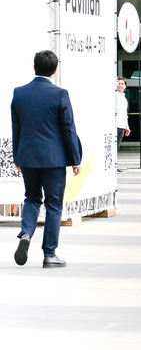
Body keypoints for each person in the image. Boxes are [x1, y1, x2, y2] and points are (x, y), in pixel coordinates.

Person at [11, 50, 82, 268]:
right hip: (54, 159)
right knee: (53, 204)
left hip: (28, 157)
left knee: (32, 198)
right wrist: (75, 159)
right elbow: (68, 129)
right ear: (55, 70)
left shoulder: (19, 93)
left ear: (34, 67)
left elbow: (17, 128)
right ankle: (49, 254)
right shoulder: (60, 94)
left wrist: (17, 156)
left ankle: (26, 233)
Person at [114, 76, 129, 172]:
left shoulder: (124, 99)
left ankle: (114, 166)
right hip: (114, 125)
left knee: (117, 147)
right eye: (119, 83)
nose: (120, 85)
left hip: (122, 125)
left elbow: (125, 114)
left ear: (125, 86)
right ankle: (112, 167)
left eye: (122, 84)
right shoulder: (113, 96)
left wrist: (127, 126)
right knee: (114, 147)